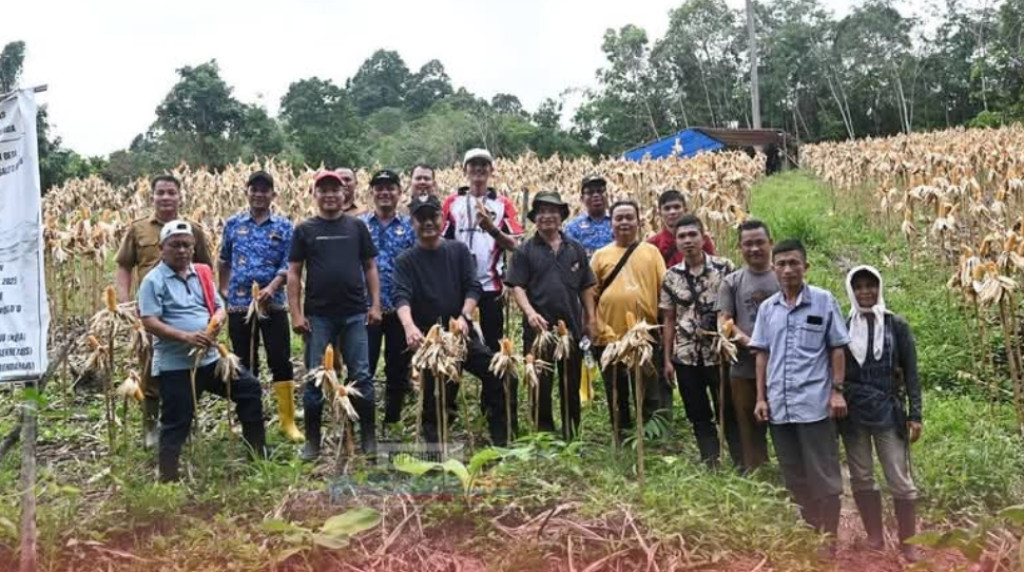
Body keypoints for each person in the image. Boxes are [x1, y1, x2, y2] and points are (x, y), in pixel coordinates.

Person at [137, 220, 266, 482]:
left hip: (211, 359)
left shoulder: (202, 274)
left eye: (187, 245)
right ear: (162, 248)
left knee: (249, 388)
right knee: (177, 421)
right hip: (177, 365)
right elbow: (149, 321)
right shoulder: (153, 281)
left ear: (194, 248)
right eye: (175, 245)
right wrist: (185, 336)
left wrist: (216, 321)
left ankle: (257, 454)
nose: (182, 251)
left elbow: (218, 306)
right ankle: (168, 478)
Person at [750, 239, 849, 557]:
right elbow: (762, 355)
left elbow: (837, 347)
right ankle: (813, 529)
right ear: (774, 269)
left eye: (794, 263)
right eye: (781, 264)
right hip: (780, 407)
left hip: (814, 406)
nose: (788, 269)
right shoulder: (768, 309)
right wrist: (760, 398)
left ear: (805, 267)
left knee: (824, 475)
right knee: (793, 475)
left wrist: (837, 390)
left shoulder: (823, 301)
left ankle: (829, 539)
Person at [394, 195, 512, 446]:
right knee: (435, 396)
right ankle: (435, 449)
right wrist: (409, 326)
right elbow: (401, 296)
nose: (428, 223)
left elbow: (473, 287)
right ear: (412, 223)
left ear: (442, 219)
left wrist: (464, 316)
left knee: (498, 371)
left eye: (433, 217)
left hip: (458, 333)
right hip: (431, 341)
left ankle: (501, 437)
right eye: (421, 218)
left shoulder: (457, 250)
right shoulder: (406, 260)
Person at [115, 174, 214, 449]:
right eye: (161, 193)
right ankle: (150, 425)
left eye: (172, 192)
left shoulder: (192, 229)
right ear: (153, 196)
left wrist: (208, 309)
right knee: (149, 367)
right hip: (151, 313)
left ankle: (187, 423)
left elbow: (205, 269)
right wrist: (123, 304)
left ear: (180, 196)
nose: (166, 197)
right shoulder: (138, 229)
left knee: (189, 368)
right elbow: (124, 266)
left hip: (185, 310)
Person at [288, 170, 381, 461]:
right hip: (319, 316)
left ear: (345, 195)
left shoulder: (357, 227)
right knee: (316, 377)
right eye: (323, 190)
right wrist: (296, 313)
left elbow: (369, 267)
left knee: (361, 375)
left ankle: (368, 437)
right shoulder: (304, 230)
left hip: (354, 313)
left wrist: (375, 304)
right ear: (314, 195)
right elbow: (294, 272)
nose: (329, 195)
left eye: (335, 190)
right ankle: (313, 442)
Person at [841, 265, 922, 562]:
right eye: (859, 286)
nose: (865, 292)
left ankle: (908, 542)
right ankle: (874, 536)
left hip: (888, 411)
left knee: (899, 478)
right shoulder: (842, 323)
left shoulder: (895, 324)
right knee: (861, 476)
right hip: (853, 413)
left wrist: (916, 414)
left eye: (871, 285)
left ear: (879, 287)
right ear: (851, 290)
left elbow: (911, 371)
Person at [218, 171, 302, 443]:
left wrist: (273, 287)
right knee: (244, 363)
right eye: (254, 189)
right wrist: (224, 289)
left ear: (273, 195)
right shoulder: (233, 224)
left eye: (265, 190)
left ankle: (287, 422)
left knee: (280, 360)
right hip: (239, 305)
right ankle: (249, 421)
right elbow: (224, 259)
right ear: (247, 192)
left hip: (273, 305)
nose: (259, 194)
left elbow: (289, 264)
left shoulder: (284, 226)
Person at [507, 191, 597, 440]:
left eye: (553, 211)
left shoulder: (575, 248)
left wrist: (590, 318)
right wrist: (530, 313)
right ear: (535, 217)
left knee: (570, 380)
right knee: (541, 383)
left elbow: (586, 286)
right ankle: (544, 432)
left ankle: (571, 432)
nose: (547, 216)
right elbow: (517, 286)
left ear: (561, 216)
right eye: (542, 212)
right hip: (540, 330)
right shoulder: (525, 250)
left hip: (570, 328)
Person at [660, 215, 741, 468]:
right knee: (698, 414)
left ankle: (740, 462)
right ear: (676, 242)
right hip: (685, 356)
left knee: (728, 411)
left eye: (692, 235)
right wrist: (667, 359)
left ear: (703, 237)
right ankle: (711, 463)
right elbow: (669, 319)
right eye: (682, 236)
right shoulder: (671, 276)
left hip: (718, 353)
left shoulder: (724, 268)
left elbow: (737, 308)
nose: (687, 241)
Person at [591, 200, 666, 438]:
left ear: (639, 221)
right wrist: (593, 326)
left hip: (644, 336)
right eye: (619, 218)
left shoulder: (651, 253)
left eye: (629, 217)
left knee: (648, 392)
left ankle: (650, 438)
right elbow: (590, 295)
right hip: (610, 337)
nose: (624, 222)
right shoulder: (600, 255)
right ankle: (621, 436)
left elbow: (662, 290)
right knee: (616, 391)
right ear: (611, 223)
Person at [442, 148, 523, 351]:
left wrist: (492, 229)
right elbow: (440, 241)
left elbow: (517, 245)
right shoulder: (452, 203)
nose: (478, 169)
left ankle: (494, 383)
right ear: (465, 170)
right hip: (457, 287)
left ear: (491, 170)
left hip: (490, 287)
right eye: (473, 165)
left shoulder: (503, 204)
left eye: (483, 165)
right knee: (453, 348)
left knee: (494, 350)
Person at [717, 220, 778, 471]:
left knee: (783, 422)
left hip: (781, 366)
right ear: (739, 247)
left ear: (770, 244)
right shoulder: (731, 282)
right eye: (748, 244)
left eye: (760, 242)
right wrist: (749, 341)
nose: (754, 249)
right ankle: (758, 472)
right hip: (743, 367)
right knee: (748, 425)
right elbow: (724, 321)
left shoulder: (782, 276)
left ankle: (792, 472)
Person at [359, 170, 415, 430]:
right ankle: (364, 422)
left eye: (390, 187)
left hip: (399, 310)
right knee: (363, 367)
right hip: (366, 309)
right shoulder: (359, 226)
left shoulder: (409, 228)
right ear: (372, 192)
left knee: (397, 368)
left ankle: (392, 420)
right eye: (379, 188)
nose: (384, 192)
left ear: (399, 193)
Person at [647, 190, 716, 266]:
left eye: (677, 207)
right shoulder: (652, 244)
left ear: (685, 210)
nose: (672, 212)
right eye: (667, 208)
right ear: (659, 213)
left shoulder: (701, 239)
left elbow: (713, 266)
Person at [565, 174, 613, 257]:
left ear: (607, 195)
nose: (596, 195)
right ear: (582, 198)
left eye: (600, 191)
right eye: (590, 192)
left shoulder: (617, 223)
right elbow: (570, 258)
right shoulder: (573, 227)